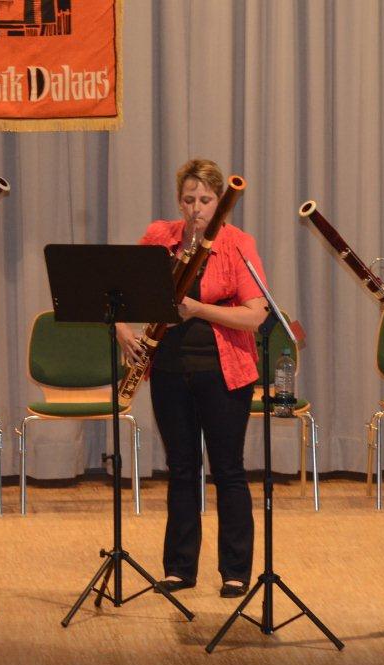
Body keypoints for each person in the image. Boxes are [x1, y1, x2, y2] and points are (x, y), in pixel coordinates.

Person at [116, 158, 268, 598]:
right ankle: (180, 568)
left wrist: (199, 309)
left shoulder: (238, 243)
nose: (196, 208)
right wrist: (122, 330)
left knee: (228, 469)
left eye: (205, 200)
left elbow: (255, 315)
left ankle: (235, 570)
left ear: (220, 202)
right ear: (178, 201)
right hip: (168, 370)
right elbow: (120, 293)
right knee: (181, 468)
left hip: (224, 371)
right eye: (188, 199)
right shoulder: (159, 237)